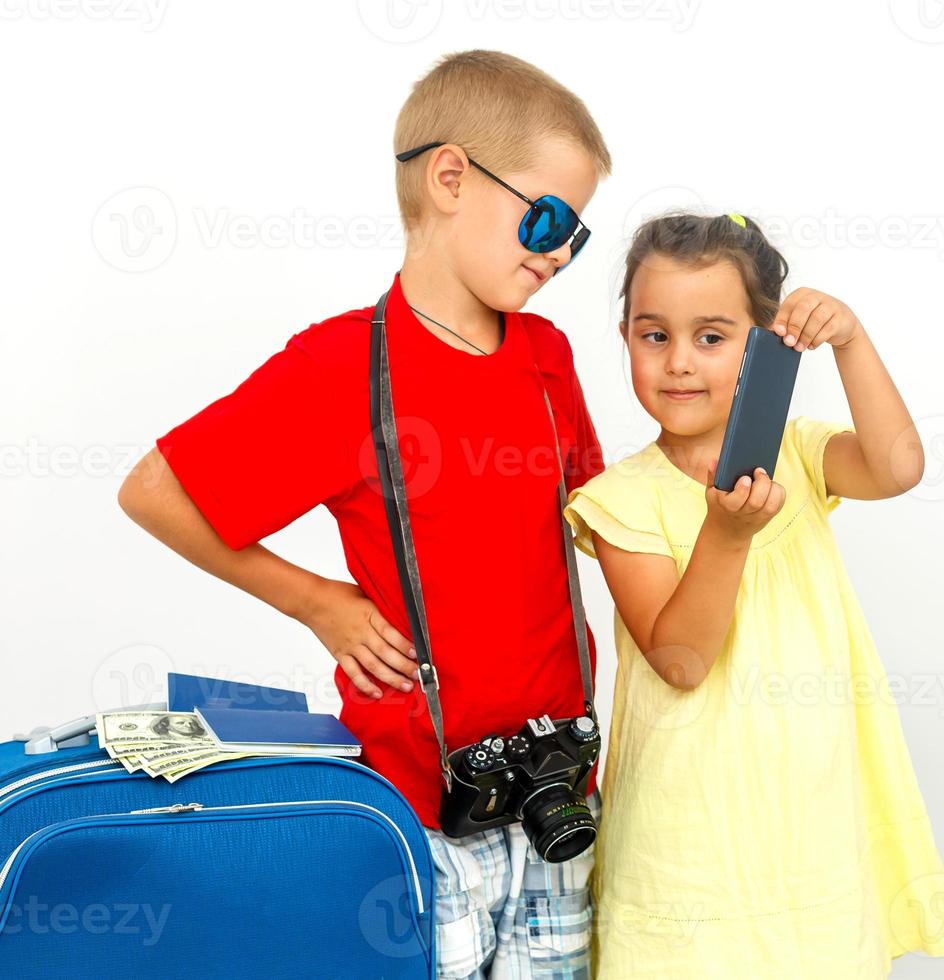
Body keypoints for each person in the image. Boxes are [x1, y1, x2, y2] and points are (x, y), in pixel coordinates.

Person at [117, 50, 611, 980]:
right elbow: (155, 489)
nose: (557, 253)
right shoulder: (340, 370)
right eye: (547, 219)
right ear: (452, 177)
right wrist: (314, 601)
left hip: (558, 799)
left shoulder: (548, 356)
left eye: (576, 238)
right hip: (421, 815)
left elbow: (603, 526)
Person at [563, 213, 944, 977]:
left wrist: (851, 341)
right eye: (655, 336)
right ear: (625, 338)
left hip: (810, 834)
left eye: (711, 337)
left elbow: (899, 466)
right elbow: (681, 659)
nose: (679, 362)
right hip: (684, 851)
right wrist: (726, 536)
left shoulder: (802, 454)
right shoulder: (619, 499)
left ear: (764, 343)